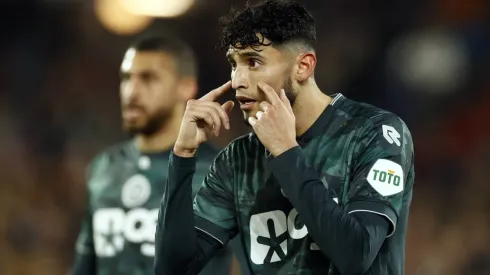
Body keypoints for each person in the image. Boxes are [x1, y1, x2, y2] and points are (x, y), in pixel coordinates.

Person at [154, 1, 415, 274]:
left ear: (303, 66)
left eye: (253, 62)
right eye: (234, 64)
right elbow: (173, 269)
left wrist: (286, 152)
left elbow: (356, 255)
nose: (238, 80)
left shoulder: (374, 134)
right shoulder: (237, 160)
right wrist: (182, 155)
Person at [70, 35, 237, 275]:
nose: (132, 91)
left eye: (148, 78)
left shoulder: (217, 171)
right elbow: (84, 265)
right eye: (127, 78)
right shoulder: (104, 169)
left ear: (186, 87)